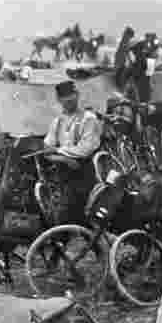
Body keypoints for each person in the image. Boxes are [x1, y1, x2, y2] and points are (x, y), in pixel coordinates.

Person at [42, 81, 103, 223]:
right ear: (59, 99)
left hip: (82, 174)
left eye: (71, 94)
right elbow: (46, 150)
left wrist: (57, 151)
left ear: (77, 95)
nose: (69, 99)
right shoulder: (57, 121)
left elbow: (85, 149)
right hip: (62, 175)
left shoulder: (89, 119)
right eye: (64, 96)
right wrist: (65, 159)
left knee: (80, 216)